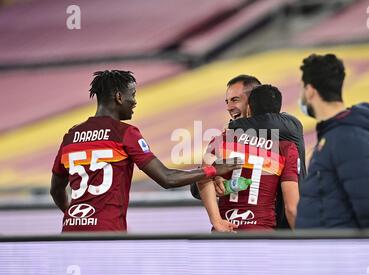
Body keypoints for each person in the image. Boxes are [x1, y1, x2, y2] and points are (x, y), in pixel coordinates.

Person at [50, 70, 241, 232]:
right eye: (132, 94)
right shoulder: (125, 133)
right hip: (107, 233)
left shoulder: (71, 136)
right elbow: (167, 178)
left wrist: (76, 218)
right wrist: (213, 170)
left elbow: (56, 190)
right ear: (119, 97)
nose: (134, 101)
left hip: (70, 232)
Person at [190, 74, 306, 229]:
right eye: (227, 101)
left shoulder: (287, 128)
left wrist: (235, 128)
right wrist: (213, 176)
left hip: (278, 229)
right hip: (261, 232)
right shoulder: (226, 139)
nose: (229, 107)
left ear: (252, 102)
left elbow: (268, 121)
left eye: (235, 100)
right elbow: (198, 187)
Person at [295, 54, 369, 229]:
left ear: (310, 90)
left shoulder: (349, 138)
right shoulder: (333, 134)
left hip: (337, 252)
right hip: (327, 249)